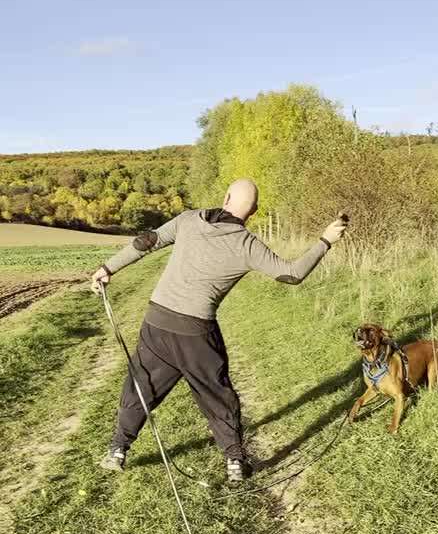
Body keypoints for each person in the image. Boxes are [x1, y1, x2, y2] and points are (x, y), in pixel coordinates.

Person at [91, 178, 347, 482]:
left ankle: (118, 450)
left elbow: (146, 241)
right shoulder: (246, 244)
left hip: (157, 321)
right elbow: (292, 275)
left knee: (140, 385)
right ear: (254, 211)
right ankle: (235, 462)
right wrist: (325, 240)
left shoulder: (188, 220)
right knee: (217, 395)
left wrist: (107, 269)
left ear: (225, 197)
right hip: (196, 331)